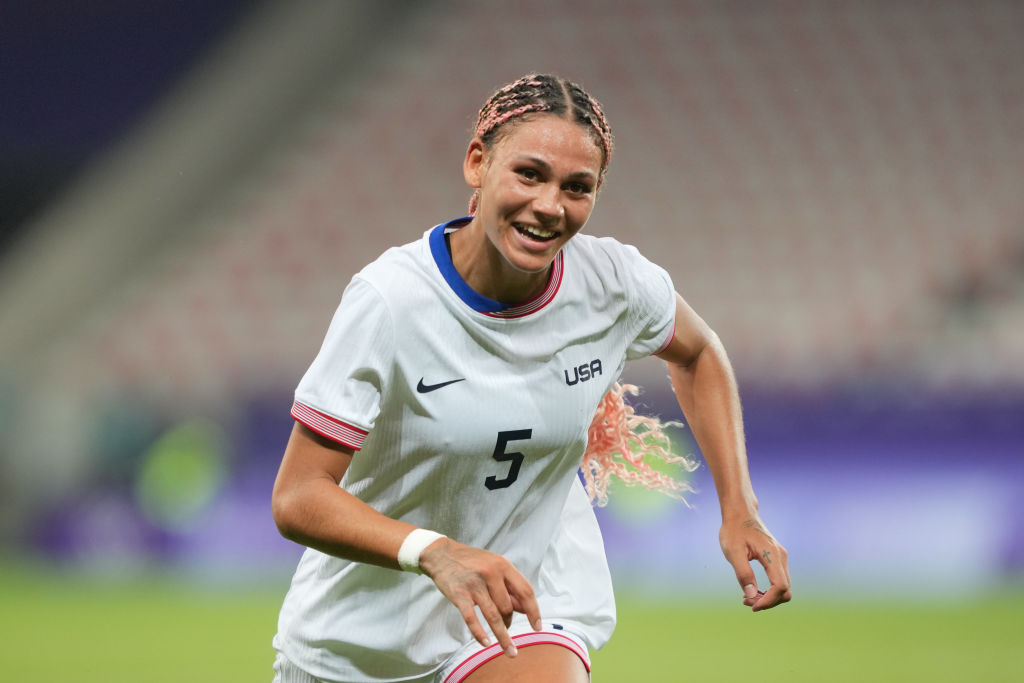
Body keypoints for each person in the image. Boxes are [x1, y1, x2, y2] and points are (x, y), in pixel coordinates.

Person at [270, 73, 791, 683]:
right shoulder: (392, 301)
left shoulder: (613, 282)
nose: (550, 205)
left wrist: (739, 508)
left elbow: (699, 352)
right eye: (529, 174)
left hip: (526, 606)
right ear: (477, 164)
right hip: (359, 646)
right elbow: (298, 497)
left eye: (577, 187)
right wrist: (435, 551)